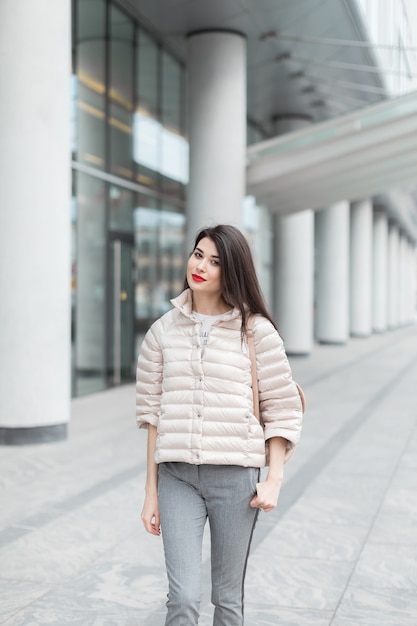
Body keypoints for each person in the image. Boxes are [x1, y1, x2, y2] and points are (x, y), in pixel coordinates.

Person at [136, 224, 303, 626]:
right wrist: (151, 491)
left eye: (215, 261)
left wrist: (274, 478)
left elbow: (281, 406)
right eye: (198, 254)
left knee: (227, 600)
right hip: (177, 479)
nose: (201, 267)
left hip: (236, 480)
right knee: (182, 599)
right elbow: (153, 416)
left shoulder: (256, 331)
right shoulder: (162, 331)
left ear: (232, 271)